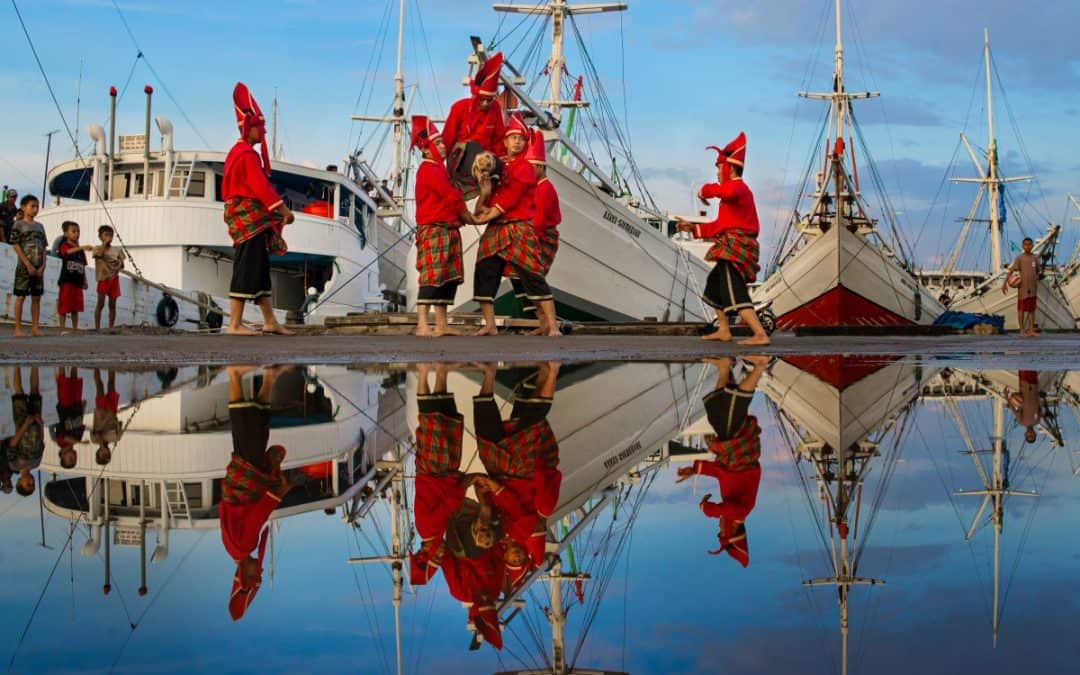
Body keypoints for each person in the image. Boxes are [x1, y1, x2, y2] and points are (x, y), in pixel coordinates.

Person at [471, 362, 560, 592]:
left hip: (499, 471)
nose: (517, 557)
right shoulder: (524, 533)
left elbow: (490, 503)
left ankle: (490, 373)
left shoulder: (498, 532)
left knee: (484, 432)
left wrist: (482, 490)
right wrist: (494, 486)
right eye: (520, 561)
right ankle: (553, 369)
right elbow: (515, 506)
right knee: (531, 422)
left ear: (505, 557)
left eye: (512, 560)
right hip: (520, 472)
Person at [676, 133, 770, 346]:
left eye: (719, 168)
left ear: (729, 168)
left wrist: (703, 191)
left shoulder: (737, 187)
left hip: (735, 248)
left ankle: (760, 334)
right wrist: (692, 228)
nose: (717, 173)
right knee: (714, 286)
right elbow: (720, 226)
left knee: (733, 289)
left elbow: (724, 193)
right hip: (730, 245)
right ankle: (725, 330)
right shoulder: (732, 193)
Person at [472, 115, 559, 337]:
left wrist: (490, 212)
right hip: (496, 227)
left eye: (520, 138)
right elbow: (488, 199)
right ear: (505, 141)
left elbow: (513, 194)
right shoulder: (497, 164)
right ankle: (490, 324)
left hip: (518, 227)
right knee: (485, 270)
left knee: (532, 275)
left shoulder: (525, 168)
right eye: (512, 138)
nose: (517, 142)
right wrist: (484, 192)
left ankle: (553, 326)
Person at [675, 356, 768, 566]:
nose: (719, 527)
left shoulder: (734, 502)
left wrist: (695, 469)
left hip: (732, 459)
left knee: (718, 413)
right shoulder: (741, 511)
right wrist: (706, 509)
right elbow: (723, 509)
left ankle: (725, 367)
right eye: (721, 531)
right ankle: (760, 366)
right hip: (740, 457)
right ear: (732, 531)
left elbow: (720, 473)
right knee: (730, 413)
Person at [220, 365, 292, 621]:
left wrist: (278, 493)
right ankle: (269, 379)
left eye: (256, 574)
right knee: (257, 429)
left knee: (246, 426)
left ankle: (234, 375)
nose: (259, 570)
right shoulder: (232, 549)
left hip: (246, 481)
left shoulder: (243, 545)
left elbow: (257, 515)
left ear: (244, 575)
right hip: (240, 482)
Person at [223, 82, 295, 336]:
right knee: (246, 268)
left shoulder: (239, 153)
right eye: (260, 128)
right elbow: (260, 188)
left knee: (260, 269)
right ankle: (234, 324)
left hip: (251, 220)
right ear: (249, 128)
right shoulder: (246, 155)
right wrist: (284, 210)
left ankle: (269, 321)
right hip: (249, 220)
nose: (262, 132)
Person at [410, 116, 474, 337]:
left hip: (448, 229)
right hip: (435, 229)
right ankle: (421, 324)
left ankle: (441, 324)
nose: (442, 147)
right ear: (426, 149)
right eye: (437, 144)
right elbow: (451, 198)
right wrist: (469, 216)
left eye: (441, 143)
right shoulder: (430, 170)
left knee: (447, 278)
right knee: (432, 275)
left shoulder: (439, 170)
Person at [409, 363, 468, 586]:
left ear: (428, 553)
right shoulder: (435, 531)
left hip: (436, 469)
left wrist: (466, 483)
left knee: (429, 417)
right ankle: (442, 371)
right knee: (446, 413)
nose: (443, 553)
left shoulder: (427, 529)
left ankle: (423, 372)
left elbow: (448, 503)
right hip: (445, 469)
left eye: (439, 556)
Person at [507, 130, 561, 328]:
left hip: (538, 238)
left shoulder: (544, 189)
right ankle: (543, 323)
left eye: (531, 168)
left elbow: (538, 222)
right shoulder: (537, 187)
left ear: (539, 167)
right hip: (532, 236)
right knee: (523, 279)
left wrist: (525, 241)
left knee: (534, 280)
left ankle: (550, 325)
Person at [443, 52, 507, 194]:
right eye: (482, 99)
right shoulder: (459, 108)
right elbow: (447, 139)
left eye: (489, 100)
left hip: (488, 160)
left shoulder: (495, 107)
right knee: (473, 147)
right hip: (462, 159)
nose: (485, 103)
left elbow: (499, 139)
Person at [11, 194, 48, 337]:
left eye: (37, 206)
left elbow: (44, 247)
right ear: (23, 207)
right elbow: (15, 245)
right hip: (24, 267)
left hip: (39, 267)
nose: (35, 209)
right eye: (32, 206)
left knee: (36, 297)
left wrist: (43, 265)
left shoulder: (40, 226)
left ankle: (35, 327)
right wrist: (27, 264)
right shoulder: (19, 224)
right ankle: (18, 328)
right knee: (20, 296)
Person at [5, 366, 43, 497]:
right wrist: (41, 424)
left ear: (20, 482)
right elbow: (41, 443)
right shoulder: (36, 463)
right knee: (35, 391)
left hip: (23, 423)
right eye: (33, 484)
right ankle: (35, 365)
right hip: (35, 424)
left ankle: (16, 365)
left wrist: (25, 425)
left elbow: (13, 443)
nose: (31, 482)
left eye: (28, 484)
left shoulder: (14, 465)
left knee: (19, 392)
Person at [56, 221, 94, 334]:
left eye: (78, 231)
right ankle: (62, 329)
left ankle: (74, 328)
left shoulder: (80, 251)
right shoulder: (64, 245)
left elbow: (83, 265)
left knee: (75, 306)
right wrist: (81, 247)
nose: (77, 234)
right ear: (66, 233)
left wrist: (85, 280)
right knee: (64, 304)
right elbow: (66, 252)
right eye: (73, 231)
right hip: (67, 280)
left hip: (78, 280)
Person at [1003, 237, 1039, 337]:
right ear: (1022, 246)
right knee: (1021, 310)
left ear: (1032, 246)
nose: (1028, 246)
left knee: (1031, 310)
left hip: (1033, 289)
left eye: (1029, 244)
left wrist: (1036, 279)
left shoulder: (1035, 258)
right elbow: (1011, 270)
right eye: (1025, 244)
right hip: (1022, 288)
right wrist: (1004, 283)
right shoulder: (1020, 258)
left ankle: (1031, 330)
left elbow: (1038, 271)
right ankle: (1022, 330)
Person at [50, 367, 86, 470]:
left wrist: (78, 442)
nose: (73, 457)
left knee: (64, 381)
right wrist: (83, 409)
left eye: (70, 459)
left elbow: (65, 437)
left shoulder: (60, 442)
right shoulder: (77, 439)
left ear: (62, 455)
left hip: (65, 407)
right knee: (75, 380)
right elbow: (80, 423)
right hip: (76, 408)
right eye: (74, 459)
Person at [93, 225, 126, 330]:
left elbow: (122, 264)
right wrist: (104, 244)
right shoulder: (97, 248)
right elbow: (98, 255)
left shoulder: (117, 250)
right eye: (106, 235)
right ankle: (97, 327)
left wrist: (118, 264)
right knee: (100, 303)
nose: (109, 238)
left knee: (112, 305)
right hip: (103, 279)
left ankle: (110, 327)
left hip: (114, 279)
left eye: (111, 235)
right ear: (100, 237)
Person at [90, 369, 121, 466]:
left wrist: (102, 444)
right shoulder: (115, 438)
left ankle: (96, 366)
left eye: (102, 454)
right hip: (112, 411)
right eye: (107, 455)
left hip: (101, 411)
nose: (105, 452)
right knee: (111, 384)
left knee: (100, 385)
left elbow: (97, 434)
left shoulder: (95, 440)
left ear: (98, 452)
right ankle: (111, 365)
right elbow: (119, 424)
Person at [1006, 370, 1041, 445]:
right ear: (1035, 434)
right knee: (1033, 367)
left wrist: (1006, 397)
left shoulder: (1021, 422)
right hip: (1034, 387)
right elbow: (1039, 406)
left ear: (1025, 434)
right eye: (1032, 436)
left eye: (1029, 436)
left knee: (1023, 367)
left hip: (1025, 386)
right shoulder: (1037, 420)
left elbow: (1014, 410)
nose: (1030, 434)